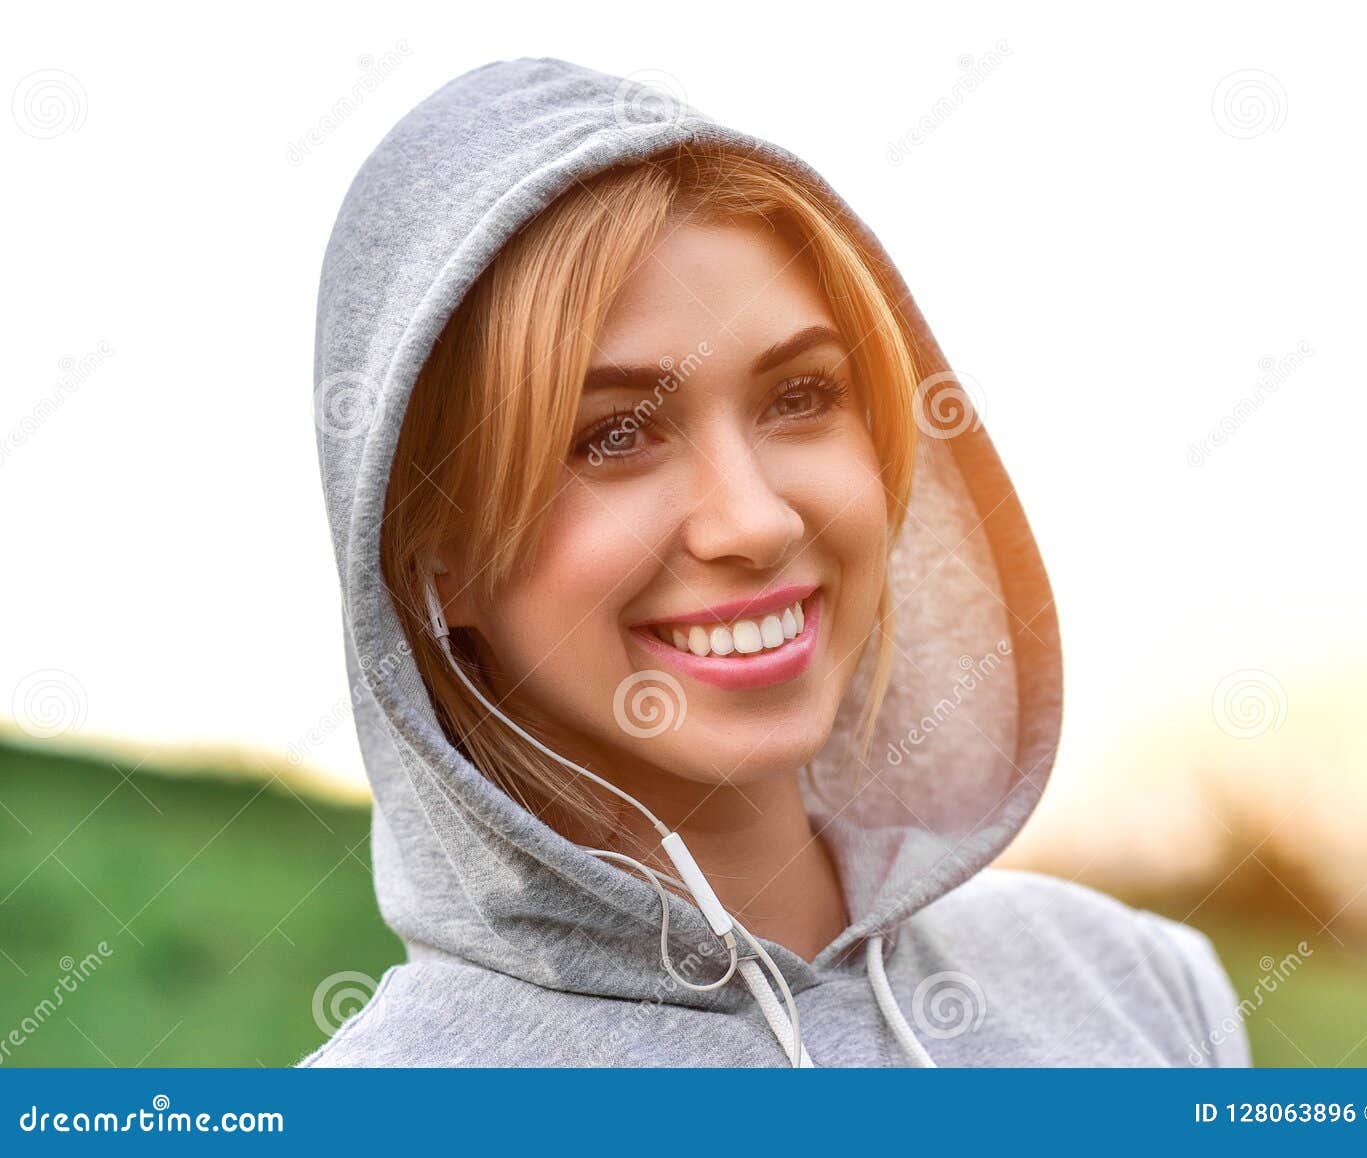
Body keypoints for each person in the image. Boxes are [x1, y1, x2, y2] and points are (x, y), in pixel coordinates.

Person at [299, 56, 1250, 1067]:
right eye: (615, 434)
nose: (752, 522)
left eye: (798, 398)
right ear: (432, 559)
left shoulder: (1140, 992)